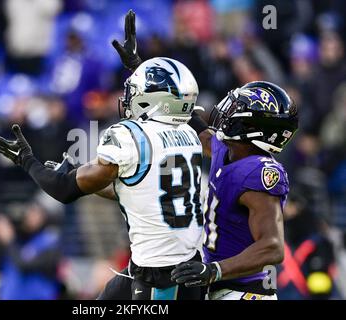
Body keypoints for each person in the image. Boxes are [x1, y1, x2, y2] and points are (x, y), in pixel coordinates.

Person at [0, 54, 205, 300]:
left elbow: (64, 190)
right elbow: (137, 190)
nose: (129, 98)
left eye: (135, 91)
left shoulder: (131, 134)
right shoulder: (189, 134)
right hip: (174, 262)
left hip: (161, 273)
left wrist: (26, 160)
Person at [114, 10, 298, 300]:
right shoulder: (229, 151)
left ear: (253, 126)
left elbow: (273, 247)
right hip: (214, 287)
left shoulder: (259, 172)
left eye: (238, 108)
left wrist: (215, 270)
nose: (227, 110)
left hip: (243, 294)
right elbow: (186, 117)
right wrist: (141, 70)